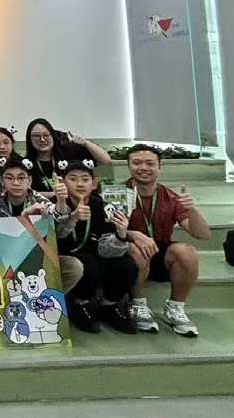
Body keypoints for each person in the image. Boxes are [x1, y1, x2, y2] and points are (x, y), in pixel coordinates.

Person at [124, 144, 209, 337]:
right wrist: (132, 235)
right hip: (128, 252)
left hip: (159, 251)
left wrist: (191, 210)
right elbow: (106, 230)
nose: (143, 168)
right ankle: (137, 305)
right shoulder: (117, 193)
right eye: (136, 163)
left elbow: (202, 234)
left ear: (159, 167)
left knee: (187, 252)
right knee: (137, 249)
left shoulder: (170, 197)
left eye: (150, 163)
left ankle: (175, 309)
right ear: (128, 166)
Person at [55, 159, 138, 335]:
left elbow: (107, 249)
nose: (80, 184)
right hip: (65, 256)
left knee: (126, 265)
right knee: (88, 263)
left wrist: (121, 234)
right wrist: (72, 218)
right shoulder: (57, 204)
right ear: (63, 182)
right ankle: (80, 305)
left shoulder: (103, 206)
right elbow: (55, 237)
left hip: (95, 255)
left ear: (94, 184)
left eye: (85, 179)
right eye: (73, 179)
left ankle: (109, 306)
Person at [0, 156, 81, 295]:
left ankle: (46, 298)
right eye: (9, 178)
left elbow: (59, 215)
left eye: (21, 178)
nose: (16, 182)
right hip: (3, 259)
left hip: (36, 257)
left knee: (73, 267)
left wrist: (61, 200)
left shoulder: (38, 200)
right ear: (2, 181)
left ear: (29, 180)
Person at [25, 117, 111, 193]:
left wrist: (85, 143)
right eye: (36, 136)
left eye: (46, 135)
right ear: (29, 139)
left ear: (53, 136)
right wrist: (55, 195)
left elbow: (106, 160)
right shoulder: (26, 163)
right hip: (42, 204)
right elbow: (26, 193)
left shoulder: (69, 151)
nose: (42, 139)